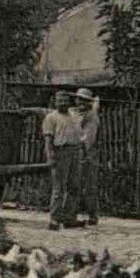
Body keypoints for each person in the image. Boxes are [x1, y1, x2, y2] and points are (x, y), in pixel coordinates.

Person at [43, 90, 84, 231]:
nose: (63, 103)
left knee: (74, 186)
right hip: (60, 152)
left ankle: (69, 218)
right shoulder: (51, 118)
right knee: (58, 188)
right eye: (60, 100)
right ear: (55, 102)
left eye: (65, 100)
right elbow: (48, 140)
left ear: (69, 102)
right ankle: (54, 219)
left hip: (75, 151)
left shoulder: (74, 116)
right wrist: (51, 157)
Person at [73, 87, 101, 226]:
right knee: (73, 185)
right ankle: (72, 214)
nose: (81, 102)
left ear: (89, 102)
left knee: (89, 186)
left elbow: (89, 137)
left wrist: (83, 151)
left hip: (86, 154)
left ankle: (93, 215)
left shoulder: (91, 116)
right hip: (73, 152)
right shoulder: (74, 113)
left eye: (84, 100)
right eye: (79, 99)